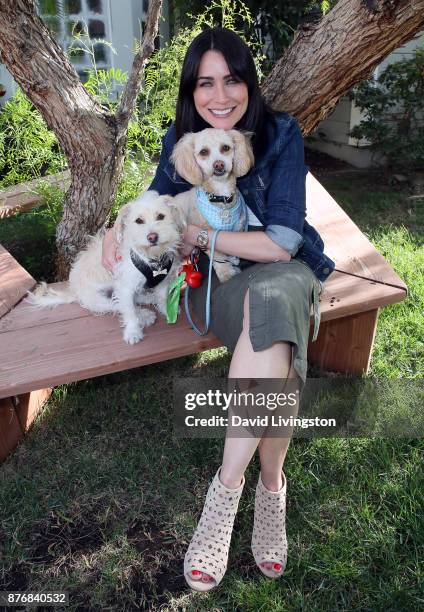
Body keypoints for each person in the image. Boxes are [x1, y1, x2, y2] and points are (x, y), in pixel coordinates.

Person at [102, 27, 335, 591]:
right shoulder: (180, 140)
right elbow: (155, 207)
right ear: (192, 91)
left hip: (277, 269)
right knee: (274, 339)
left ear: (247, 82)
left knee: (274, 311)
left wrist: (203, 237)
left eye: (231, 79)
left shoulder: (279, 134)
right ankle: (272, 485)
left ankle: (230, 494)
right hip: (217, 285)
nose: (220, 95)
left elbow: (280, 241)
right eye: (206, 83)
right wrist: (118, 233)